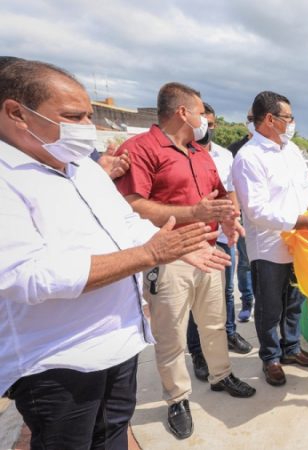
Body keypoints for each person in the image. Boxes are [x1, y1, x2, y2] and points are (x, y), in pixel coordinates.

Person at [0, 59, 228, 449]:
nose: (86, 127)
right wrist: (150, 254)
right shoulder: (8, 178)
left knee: (112, 438)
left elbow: (124, 224)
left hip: (120, 347)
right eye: (73, 116)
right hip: (60, 365)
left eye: (89, 115)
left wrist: (177, 248)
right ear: (17, 113)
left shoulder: (84, 171)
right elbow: (25, 275)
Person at [114, 82, 256, 440]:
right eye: (199, 112)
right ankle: (177, 397)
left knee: (213, 322)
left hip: (208, 251)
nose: (204, 119)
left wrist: (229, 218)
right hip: (170, 256)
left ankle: (221, 375)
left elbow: (218, 196)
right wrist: (194, 211)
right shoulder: (141, 149)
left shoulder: (199, 152)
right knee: (171, 333)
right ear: (182, 112)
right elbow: (131, 204)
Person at [232, 91, 308, 387]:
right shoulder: (249, 157)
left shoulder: (292, 150)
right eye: (288, 117)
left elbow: (306, 186)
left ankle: (292, 349)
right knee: (269, 306)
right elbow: (257, 210)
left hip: (299, 243)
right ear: (270, 119)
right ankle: (271, 358)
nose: (291, 122)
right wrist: (301, 220)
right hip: (270, 247)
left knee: (294, 300)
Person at [186, 102, 253, 383]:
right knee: (196, 301)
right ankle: (199, 353)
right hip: (196, 239)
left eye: (212, 124)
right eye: (204, 122)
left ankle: (227, 333)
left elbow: (231, 192)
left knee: (225, 292)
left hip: (223, 238)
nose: (207, 129)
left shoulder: (225, 156)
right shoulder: (183, 154)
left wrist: (234, 219)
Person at [227, 109, 256, 322]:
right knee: (245, 262)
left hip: (272, 218)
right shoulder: (235, 150)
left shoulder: (279, 149)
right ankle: (247, 300)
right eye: (251, 119)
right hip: (245, 215)